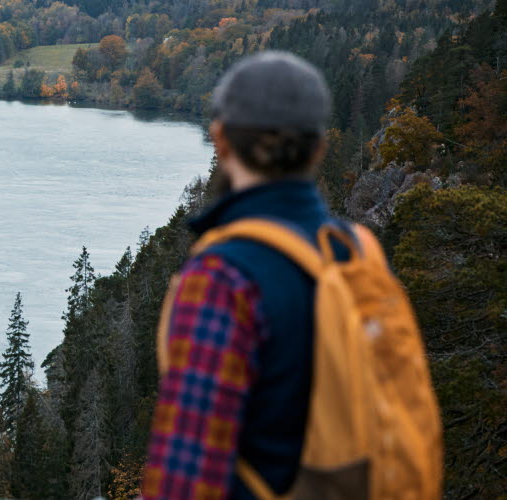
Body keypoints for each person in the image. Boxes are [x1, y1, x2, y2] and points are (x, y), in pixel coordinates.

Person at [141, 51, 442, 500]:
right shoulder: (357, 250)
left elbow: (185, 480)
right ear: (318, 148)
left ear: (220, 140)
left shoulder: (224, 278)